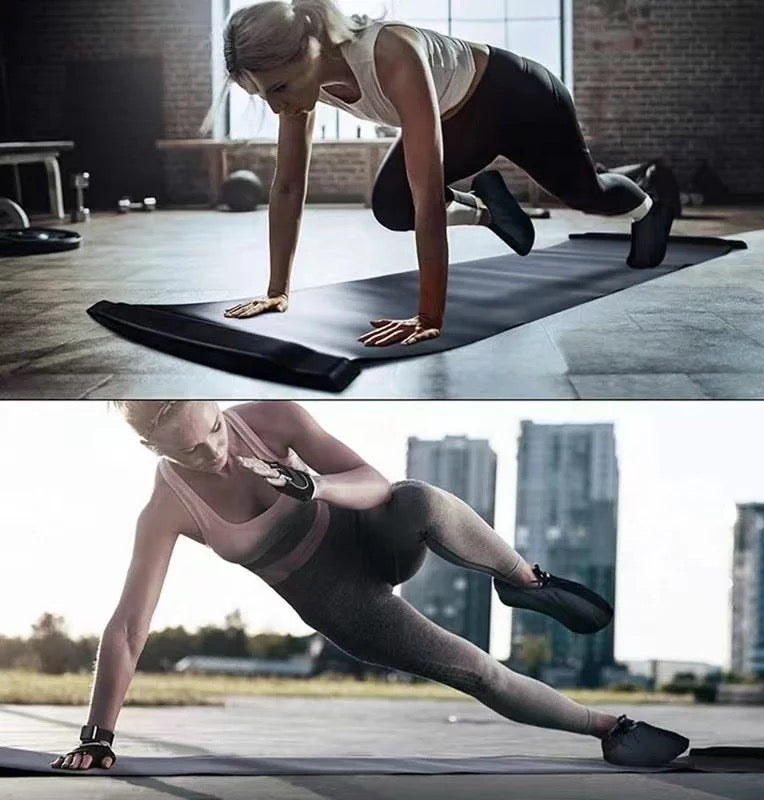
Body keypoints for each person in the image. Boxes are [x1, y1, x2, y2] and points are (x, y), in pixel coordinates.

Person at [51, 401, 689, 771]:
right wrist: (97, 736)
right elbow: (130, 627)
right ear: (149, 447)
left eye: (213, 428)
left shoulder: (272, 418)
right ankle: (611, 729)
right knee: (477, 671)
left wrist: (313, 485)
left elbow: (373, 481)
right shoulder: (168, 507)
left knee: (416, 498)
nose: (212, 452)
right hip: (342, 604)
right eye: (189, 450)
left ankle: (523, 579)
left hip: (372, 538)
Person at [205, 0, 674, 348]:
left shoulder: (390, 53)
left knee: (587, 192)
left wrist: (428, 315)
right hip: (459, 121)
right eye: (264, 96)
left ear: (310, 45)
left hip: (519, 98)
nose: (278, 105)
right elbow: (288, 185)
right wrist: (276, 291)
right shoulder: (299, 87)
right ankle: (491, 208)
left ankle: (648, 197)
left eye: (281, 88)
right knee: (391, 207)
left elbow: (429, 195)